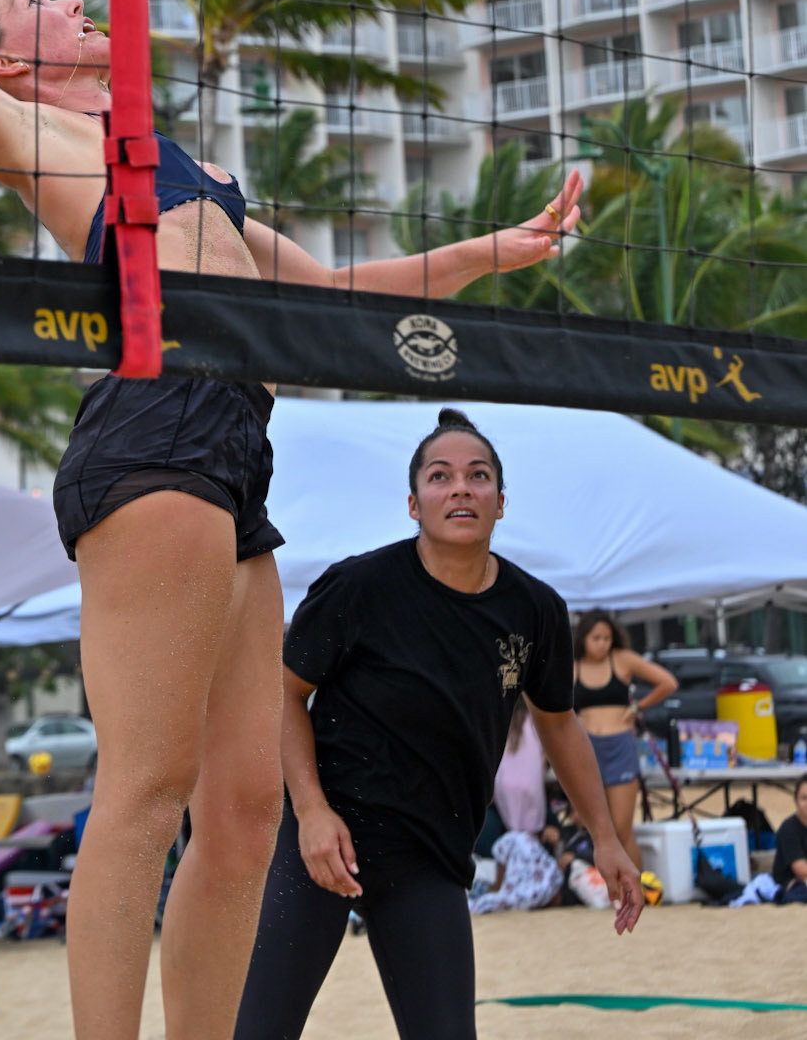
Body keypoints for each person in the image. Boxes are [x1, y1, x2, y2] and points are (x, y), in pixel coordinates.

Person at [0, 0, 581, 1040]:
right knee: (146, 789)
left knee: (249, 811)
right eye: (37, 2)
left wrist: (491, 249)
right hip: (155, 428)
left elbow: (337, 299)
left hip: (233, 454)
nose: (74, 1)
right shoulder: (27, 131)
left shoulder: (182, 163)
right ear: (4, 68)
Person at [232, 408, 643, 1040]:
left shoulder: (534, 610)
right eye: (440, 476)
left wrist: (608, 839)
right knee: (262, 1032)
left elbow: (559, 726)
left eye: (478, 477)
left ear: (500, 503)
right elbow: (281, 696)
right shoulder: (358, 587)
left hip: (430, 857)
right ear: (413, 502)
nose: (460, 488)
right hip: (329, 837)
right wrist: (311, 812)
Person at [572, 610, 677, 863]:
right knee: (594, 828)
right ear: (583, 638)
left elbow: (667, 682)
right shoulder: (572, 666)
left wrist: (638, 707)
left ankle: (638, 890)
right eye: (596, 638)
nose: (602, 644)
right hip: (587, 748)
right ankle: (607, 888)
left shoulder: (622, 659)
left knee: (621, 828)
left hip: (619, 745)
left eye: (607, 638)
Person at [493, 697, 547, 838]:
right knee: (530, 839)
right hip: (531, 782)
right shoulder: (535, 721)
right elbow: (544, 755)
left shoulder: (502, 720)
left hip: (505, 783)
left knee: (513, 835)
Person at [772, 773, 807, 900]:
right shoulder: (789, 829)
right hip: (791, 881)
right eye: (804, 798)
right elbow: (800, 868)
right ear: (796, 800)